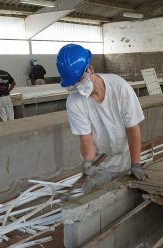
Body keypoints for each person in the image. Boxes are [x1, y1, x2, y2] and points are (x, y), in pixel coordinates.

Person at [56, 43, 148, 194]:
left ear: (91, 69)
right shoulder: (74, 102)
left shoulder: (119, 87)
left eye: (80, 80)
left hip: (125, 157)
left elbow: (133, 129)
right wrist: (87, 162)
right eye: (73, 84)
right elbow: (86, 140)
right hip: (100, 163)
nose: (78, 87)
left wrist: (136, 163)